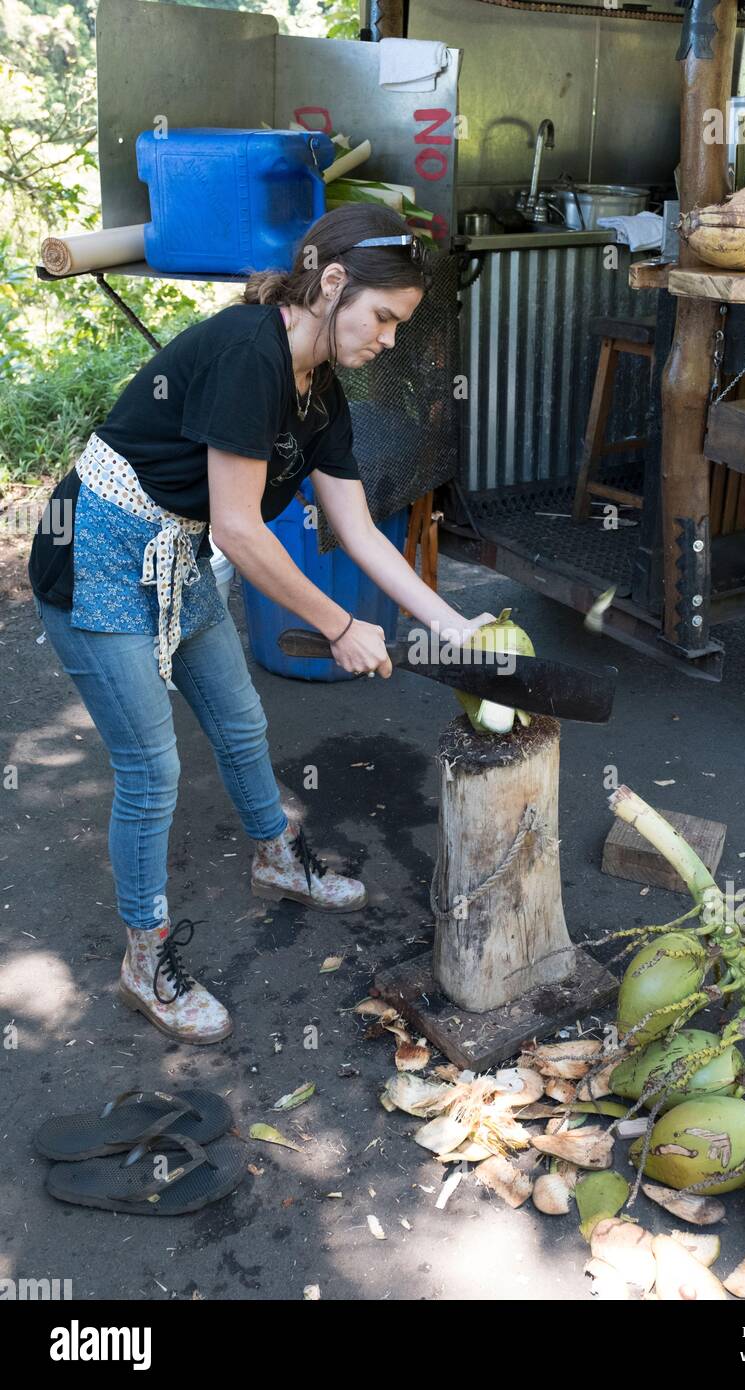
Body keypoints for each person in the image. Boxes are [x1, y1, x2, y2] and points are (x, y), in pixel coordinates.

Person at [28, 203, 492, 1046]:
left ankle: (278, 858)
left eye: (399, 326)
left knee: (241, 721)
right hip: (96, 552)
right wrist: (342, 624)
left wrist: (449, 622)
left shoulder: (322, 393)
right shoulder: (251, 352)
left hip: (173, 547)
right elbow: (241, 529)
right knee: (150, 768)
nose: (388, 339)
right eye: (383, 319)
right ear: (334, 282)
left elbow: (354, 526)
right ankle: (146, 961)